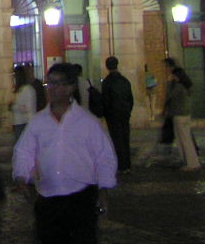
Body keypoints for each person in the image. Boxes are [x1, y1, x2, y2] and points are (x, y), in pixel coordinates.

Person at [12, 62, 118, 244]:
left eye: (58, 83)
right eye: (50, 83)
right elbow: (24, 151)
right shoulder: (38, 122)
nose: (52, 88)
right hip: (48, 198)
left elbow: (104, 156)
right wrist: (21, 176)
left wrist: (104, 188)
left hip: (81, 198)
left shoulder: (87, 122)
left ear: (71, 87)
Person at [161, 59, 199, 171]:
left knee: (184, 139)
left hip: (179, 114)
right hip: (184, 114)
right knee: (183, 138)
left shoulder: (178, 85)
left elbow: (170, 96)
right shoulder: (185, 85)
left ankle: (191, 163)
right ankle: (188, 161)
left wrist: (169, 83)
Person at [99, 56, 134, 172]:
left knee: (117, 139)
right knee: (125, 138)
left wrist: (105, 113)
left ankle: (121, 165)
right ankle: (127, 165)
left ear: (107, 66)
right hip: (124, 113)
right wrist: (128, 110)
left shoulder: (107, 82)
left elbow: (105, 100)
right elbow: (130, 98)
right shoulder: (124, 81)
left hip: (112, 115)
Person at [10, 64, 39, 144]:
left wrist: (14, 107)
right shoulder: (19, 89)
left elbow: (29, 108)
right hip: (18, 122)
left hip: (24, 123)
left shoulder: (27, 89)